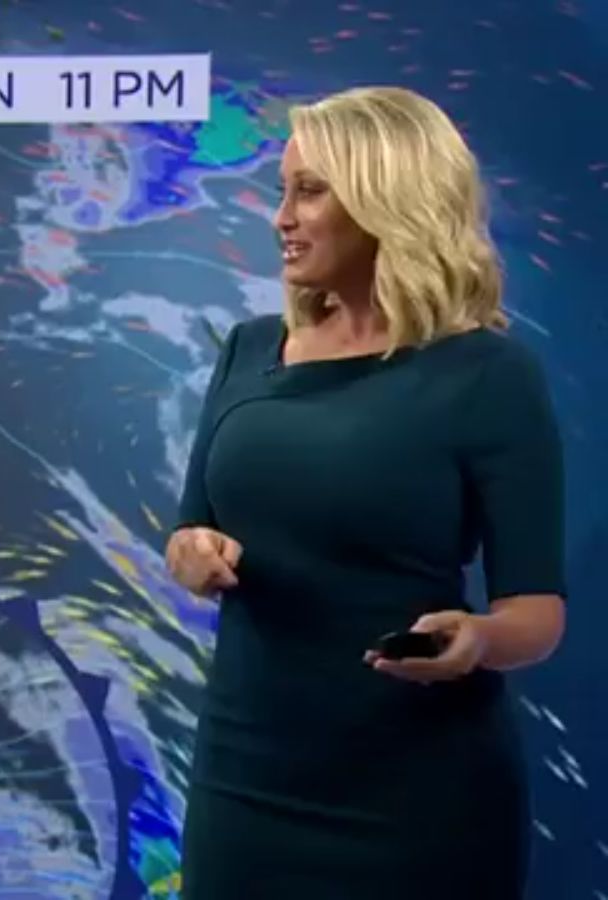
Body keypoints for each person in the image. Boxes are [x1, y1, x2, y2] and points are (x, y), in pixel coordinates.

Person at [170, 85, 568, 899]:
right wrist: (191, 554)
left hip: (419, 798)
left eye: (310, 191)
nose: (282, 217)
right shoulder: (249, 349)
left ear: (388, 199)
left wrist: (477, 640)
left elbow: (537, 613)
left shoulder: (489, 373)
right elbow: (188, 531)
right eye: (283, 190)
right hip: (244, 783)